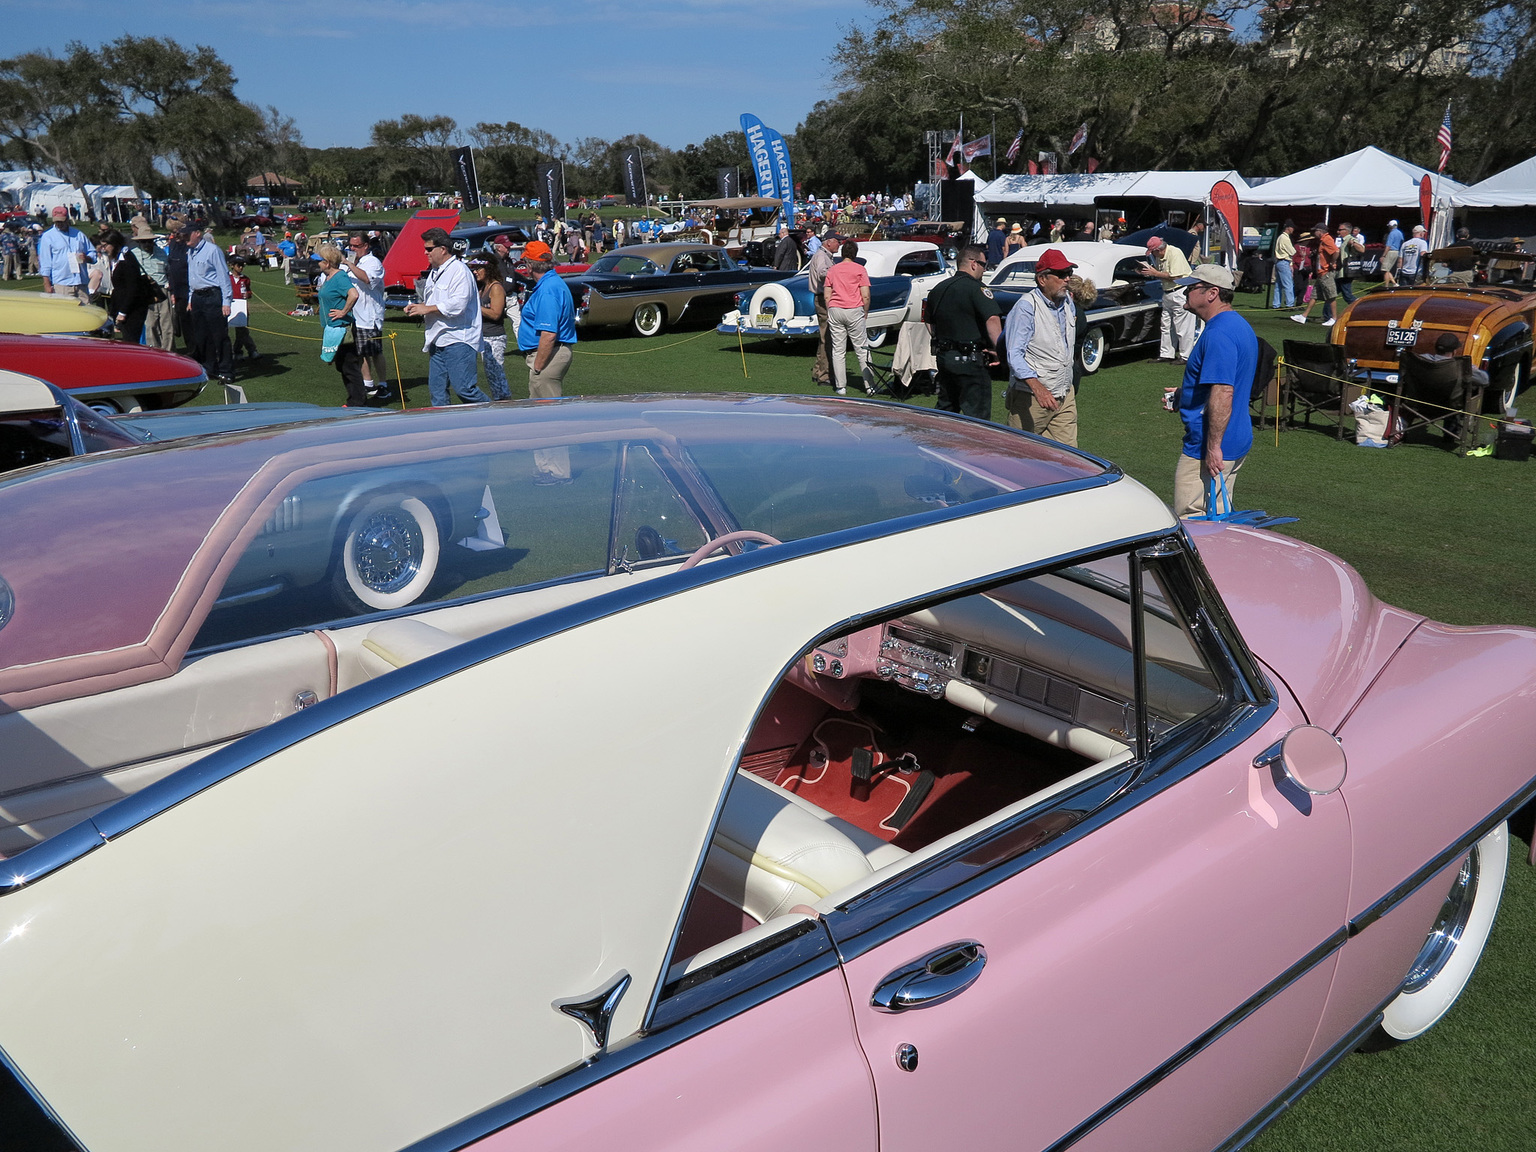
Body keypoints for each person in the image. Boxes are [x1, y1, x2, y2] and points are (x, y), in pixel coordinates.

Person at [1171, 265, 1258, 517]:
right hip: (1235, 438)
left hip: (1209, 445)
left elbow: (1223, 392)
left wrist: (1213, 448)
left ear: (1212, 293)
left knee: (1195, 524)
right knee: (1219, 518)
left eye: (1192, 287)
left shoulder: (1218, 333)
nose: (1186, 292)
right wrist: (1184, 395)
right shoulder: (1238, 325)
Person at [404, 227, 488, 406]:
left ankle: (497, 417)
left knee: (465, 389)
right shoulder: (435, 271)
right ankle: (444, 428)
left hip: (459, 338)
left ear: (442, 249)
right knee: (437, 391)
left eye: (428, 249)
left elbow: (458, 304)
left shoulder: (459, 271)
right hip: (437, 338)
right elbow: (434, 300)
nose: (425, 252)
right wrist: (418, 308)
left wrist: (427, 309)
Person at [1003, 248, 1079, 445]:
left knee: (1068, 457)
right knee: (1019, 453)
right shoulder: (1026, 307)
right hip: (1031, 398)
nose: (1067, 279)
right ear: (1042, 279)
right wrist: (1038, 388)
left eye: (1069, 273)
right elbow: (1014, 354)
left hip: (1064, 394)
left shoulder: (1068, 302)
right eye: (1061, 274)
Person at [514, 239, 576, 482]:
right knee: (540, 416)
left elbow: (549, 335)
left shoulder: (549, 289)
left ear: (530, 265)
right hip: (550, 354)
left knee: (549, 418)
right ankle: (546, 468)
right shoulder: (550, 284)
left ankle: (558, 472)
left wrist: (538, 366)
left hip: (548, 356)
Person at [924, 243, 1003, 419]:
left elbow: (929, 323)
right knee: (977, 416)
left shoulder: (938, 289)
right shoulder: (977, 289)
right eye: (984, 265)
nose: (984, 270)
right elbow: (992, 318)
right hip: (971, 360)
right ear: (974, 263)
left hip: (945, 358)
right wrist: (999, 350)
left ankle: (939, 445)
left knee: (946, 410)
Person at [315, 243, 367, 406]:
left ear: (328, 262)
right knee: (341, 366)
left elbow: (354, 294)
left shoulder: (340, 277)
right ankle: (354, 399)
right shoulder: (329, 278)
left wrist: (343, 312)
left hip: (343, 329)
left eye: (320, 260)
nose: (317, 263)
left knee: (349, 366)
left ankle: (357, 401)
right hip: (332, 328)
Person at [182, 221, 234, 382]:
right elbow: (193, 277)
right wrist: (191, 298)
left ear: (197, 233)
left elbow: (223, 275)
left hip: (212, 295)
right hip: (197, 297)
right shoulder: (190, 252)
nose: (185, 238)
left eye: (187, 234)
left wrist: (226, 301)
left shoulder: (212, 251)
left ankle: (226, 370)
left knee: (219, 335)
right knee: (201, 336)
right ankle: (209, 367)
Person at [823, 238, 874, 396]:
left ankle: (841, 386)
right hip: (854, 310)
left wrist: (830, 308)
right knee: (862, 349)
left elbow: (827, 295)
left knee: (838, 350)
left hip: (835, 309)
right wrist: (865, 311)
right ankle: (870, 385)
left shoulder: (833, 270)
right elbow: (865, 295)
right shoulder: (860, 269)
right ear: (855, 254)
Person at [342, 233, 390, 400]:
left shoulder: (372, 262)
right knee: (360, 352)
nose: (352, 249)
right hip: (355, 315)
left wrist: (348, 263)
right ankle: (368, 383)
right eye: (351, 246)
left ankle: (383, 384)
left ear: (366, 246)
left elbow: (367, 279)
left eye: (356, 246)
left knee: (375, 352)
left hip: (371, 316)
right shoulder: (355, 262)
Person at [1141, 236, 1195, 361]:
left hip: (1180, 292)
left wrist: (1154, 273)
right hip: (1168, 292)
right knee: (1166, 325)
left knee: (1183, 326)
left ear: (1158, 250)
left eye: (1153, 252)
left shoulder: (1175, 253)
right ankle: (1166, 354)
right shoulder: (1161, 256)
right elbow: (1164, 275)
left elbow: (1176, 276)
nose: (1153, 255)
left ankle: (1185, 356)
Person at [467, 250, 511, 401]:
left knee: (497, 375)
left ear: (488, 268)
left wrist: (474, 307)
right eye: (473, 269)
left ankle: (505, 404)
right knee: (491, 376)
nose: (475, 272)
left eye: (478, 268)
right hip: (483, 337)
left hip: (495, 338)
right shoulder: (481, 287)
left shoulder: (496, 288)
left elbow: (496, 313)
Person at [126, 221, 174, 350]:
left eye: (149, 241)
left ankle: (168, 352)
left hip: (163, 291)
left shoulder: (161, 253)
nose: (147, 244)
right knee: (150, 325)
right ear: (139, 242)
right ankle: (154, 351)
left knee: (167, 325)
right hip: (146, 293)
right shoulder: (133, 254)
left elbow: (168, 271)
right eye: (144, 241)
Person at [99, 231, 151, 346]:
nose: (104, 249)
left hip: (133, 309)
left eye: (105, 246)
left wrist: (123, 312)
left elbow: (132, 288)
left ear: (114, 244)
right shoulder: (116, 259)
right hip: (123, 306)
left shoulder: (127, 260)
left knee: (131, 342)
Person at [37, 206, 96, 302]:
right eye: (57, 221)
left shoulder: (78, 234)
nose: (59, 224)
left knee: (85, 312)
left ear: (67, 219)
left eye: (62, 221)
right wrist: (47, 284)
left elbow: (92, 252)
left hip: (81, 282)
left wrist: (87, 258)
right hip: (62, 283)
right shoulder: (47, 237)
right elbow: (45, 263)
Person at [805, 230, 841, 388]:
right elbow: (822, 273)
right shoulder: (822, 256)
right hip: (823, 298)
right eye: (837, 241)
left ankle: (818, 371)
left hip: (821, 297)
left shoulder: (822, 254)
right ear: (829, 242)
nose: (839, 244)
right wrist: (838, 273)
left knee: (824, 336)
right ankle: (824, 375)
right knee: (827, 337)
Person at [1289, 223, 1338, 326]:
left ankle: (1334, 318)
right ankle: (1304, 316)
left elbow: (1336, 251)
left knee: (1331, 295)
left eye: (1315, 231)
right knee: (1314, 296)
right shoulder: (1322, 240)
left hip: (1326, 273)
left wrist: (1332, 263)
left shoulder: (1327, 239)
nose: (1314, 233)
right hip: (1321, 273)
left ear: (1320, 231)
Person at [227, 256, 259, 365]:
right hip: (229, 306)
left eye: (242, 265)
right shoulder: (227, 277)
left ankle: (241, 351)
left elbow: (249, 292)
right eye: (238, 265)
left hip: (241, 306)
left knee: (242, 331)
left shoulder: (245, 279)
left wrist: (248, 294)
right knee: (225, 331)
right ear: (232, 266)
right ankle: (227, 352)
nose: (241, 268)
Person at [1270, 221, 1296, 309]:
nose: (1293, 229)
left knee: (1278, 285)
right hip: (1284, 261)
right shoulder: (1285, 238)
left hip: (1279, 262)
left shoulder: (1280, 237)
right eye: (1292, 227)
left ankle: (1276, 304)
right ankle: (1290, 304)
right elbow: (1292, 251)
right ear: (1288, 228)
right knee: (1288, 284)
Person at [1382, 220, 1404, 288]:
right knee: (1387, 269)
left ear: (1391, 226)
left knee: (1385, 269)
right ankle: (1394, 283)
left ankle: (1386, 286)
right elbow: (1402, 241)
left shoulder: (1391, 233)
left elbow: (1388, 245)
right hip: (1397, 251)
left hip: (1391, 251)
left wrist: (1383, 255)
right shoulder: (1400, 233)